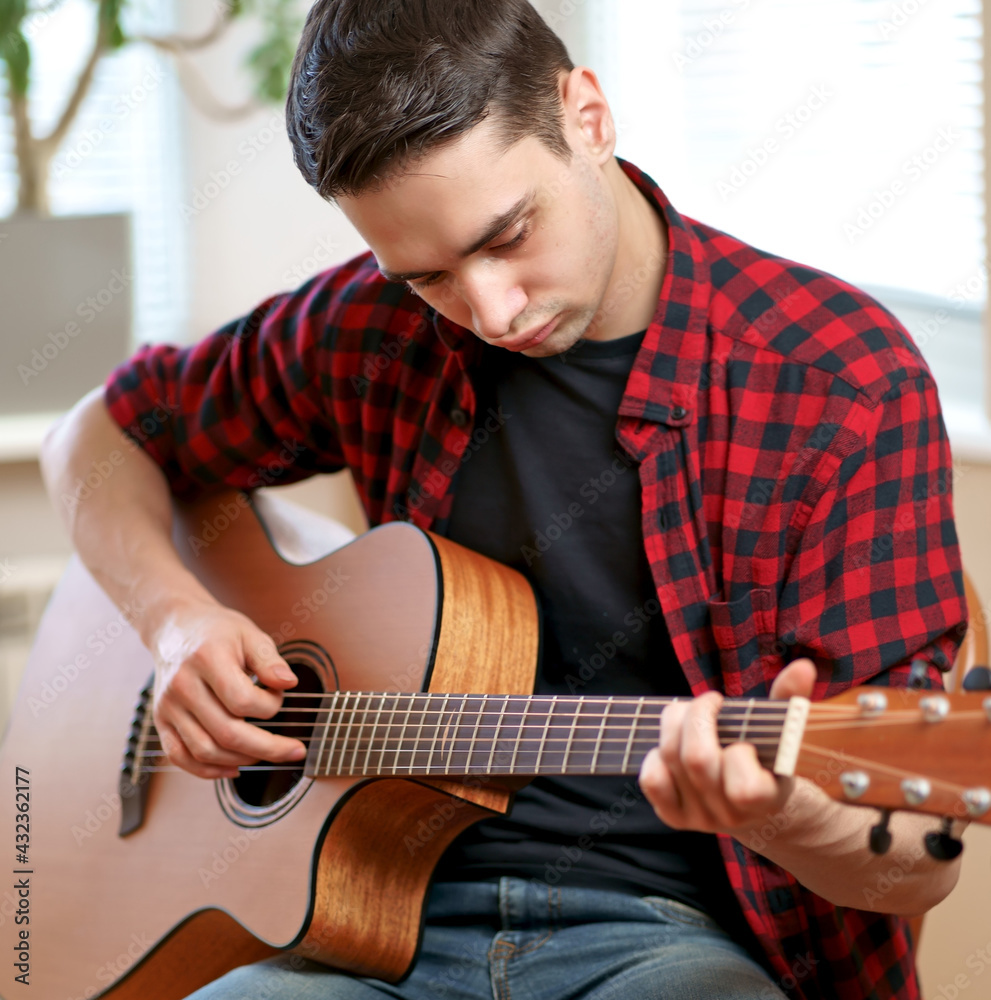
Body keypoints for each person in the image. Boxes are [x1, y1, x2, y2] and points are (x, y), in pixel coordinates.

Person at [41, 1, 969, 998]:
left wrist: (781, 811)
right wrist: (175, 623)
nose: (490, 311)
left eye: (508, 235)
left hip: (679, 942)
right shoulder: (372, 323)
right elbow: (96, 434)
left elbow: (907, 862)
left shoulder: (839, 384)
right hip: (366, 927)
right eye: (429, 273)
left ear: (588, 116)